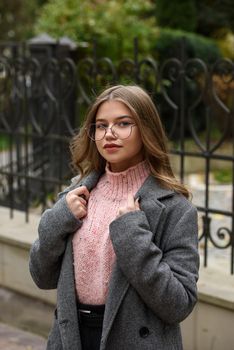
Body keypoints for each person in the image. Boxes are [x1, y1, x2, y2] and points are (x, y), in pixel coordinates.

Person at [29, 85, 199, 350]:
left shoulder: (175, 209)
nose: (109, 134)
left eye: (123, 123)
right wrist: (59, 218)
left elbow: (178, 304)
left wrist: (133, 235)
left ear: (146, 129)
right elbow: (41, 276)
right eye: (100, 125)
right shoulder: (78, 193)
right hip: (71, 337)